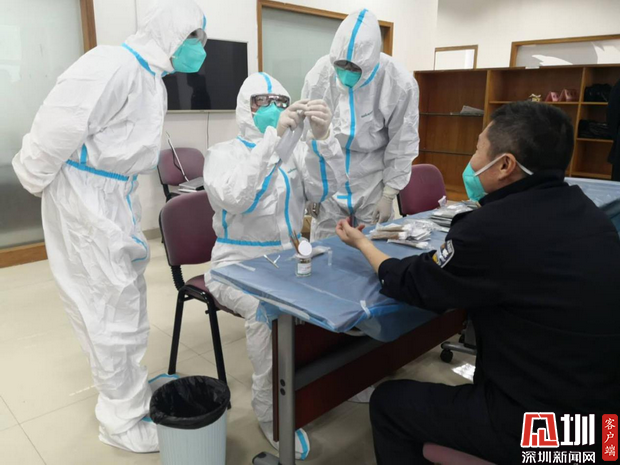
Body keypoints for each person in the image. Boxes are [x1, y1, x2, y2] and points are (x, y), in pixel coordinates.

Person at [335, 102, 620, 464]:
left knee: (389, 403)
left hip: (548, 432)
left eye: (477, 148)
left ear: (505, 165)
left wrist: (363, 245)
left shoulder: (492, 230)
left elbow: (414, 283)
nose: (472, 160)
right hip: (605, 426)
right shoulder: (591, 215)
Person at [12, 0, 207, 453]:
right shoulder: (111, 64)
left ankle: (131, 391)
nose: (199, 48)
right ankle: (120, 420)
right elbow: (56, 127)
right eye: (192, 37)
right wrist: (39, 180)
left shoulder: (149, 77)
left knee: (125, 298)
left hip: (112, 195)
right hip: (85, 199)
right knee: (106, 308)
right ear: (168, 32)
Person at [203, 72, 345, 460]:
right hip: (236, 264)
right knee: (265, 313)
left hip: (287, 256)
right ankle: (272, 415)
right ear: (244, 108)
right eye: (261, 102)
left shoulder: (294, 152)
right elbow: (238, 198)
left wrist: (323, 139)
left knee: (337, 293)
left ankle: (339, 378)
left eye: (280, 102)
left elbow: (325, 190)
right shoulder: (222, 154)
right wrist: (271, 140)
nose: (273, 109)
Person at [302, 8, 419, 240]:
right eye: (341, 65)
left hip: (373, 180)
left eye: (355, 68)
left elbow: (403, 142)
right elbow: (308, 136)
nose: (347, 72)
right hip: (329, 177)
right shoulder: (320, 76)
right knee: (325, 246)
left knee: (375, 246)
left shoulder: (398, 81)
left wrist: (389, 194)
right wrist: (311, 188)